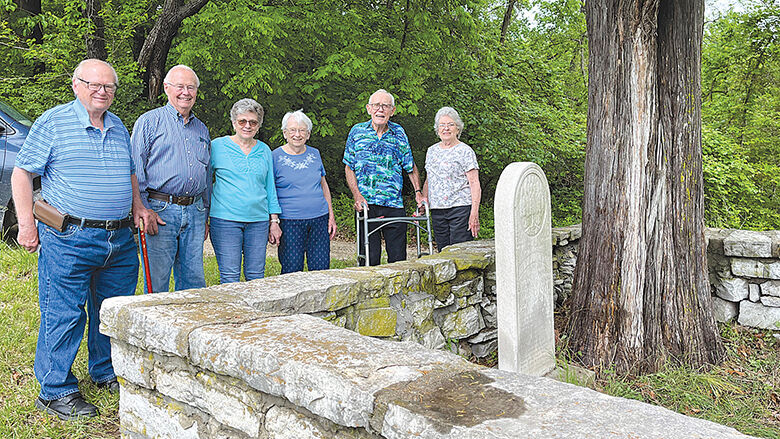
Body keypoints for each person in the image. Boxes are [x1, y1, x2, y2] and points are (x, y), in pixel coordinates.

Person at [11, 59, 156, 420]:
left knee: (111, 310)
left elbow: (131, 173)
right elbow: (22, 173)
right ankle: (55, 389)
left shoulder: (119, 125)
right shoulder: (53, 122)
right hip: (69, 236)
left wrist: (138, 206)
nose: (101, 91)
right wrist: (26, 225)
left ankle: (105, 372)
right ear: (76, 85)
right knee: (65, 312)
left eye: (108, 86)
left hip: (119, 237)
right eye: (93, 84)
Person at [131, 65, 210, 292]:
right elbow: (135, 169)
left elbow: (206, 174)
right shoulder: (148, 122)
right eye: (180, 86)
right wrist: (143, 209)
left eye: (191, 87)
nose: (185, 92)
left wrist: (205, 213)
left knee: (194, 281)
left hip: (195, 211)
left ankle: (191, 324)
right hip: (159, 210)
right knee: (157, 280)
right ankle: (156, 326)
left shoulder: (202, 129)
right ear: (166, 88)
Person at [343, 89, 425, 266]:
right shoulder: (357, 132)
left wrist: (418, 192)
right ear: (368, 109)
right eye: (376, 105)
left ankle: (397, 294)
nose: (380, 109)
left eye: (385, 106)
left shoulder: (399, 133)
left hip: (394, 205)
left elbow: (410, 166)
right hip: (366, 205)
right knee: (368, 260)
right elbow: (349, 167)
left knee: (398, 260)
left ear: (392, 111)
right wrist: (357, 195)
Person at [209, 98, 281, 283]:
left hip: (258, 221)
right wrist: (203, 218)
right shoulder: (216, 147)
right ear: (234, 123)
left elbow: (270, 186)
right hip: (225, 220)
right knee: (230, 276)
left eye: (253, 122)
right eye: (242, 121)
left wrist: (274, 221)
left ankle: (254, 313)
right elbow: (205, 183)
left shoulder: (265, 150)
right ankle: (231, 313)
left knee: (256, 277)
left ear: (258, 126)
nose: (247, 126)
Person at [272, 110, 337, 274]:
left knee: (321, 269)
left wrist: (331, 215)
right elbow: (270, 191)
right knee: (292, 270)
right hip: (289, 222)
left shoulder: (315, 154)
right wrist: (273, 222)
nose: (297, 134)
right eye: (292, 130)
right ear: (285, 133)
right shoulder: (274, 157)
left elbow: (324, 185)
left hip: (319, 220)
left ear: (308, 134)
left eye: (302, 130)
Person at [422, 107, 481, 251]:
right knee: (443, 252)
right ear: (437, 129)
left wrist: (474, 212)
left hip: (460, 209)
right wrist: (424, 200)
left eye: (450, 124)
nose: (446, 128)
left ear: (457, 128)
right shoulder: (432, 151)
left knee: (460, 252)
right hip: (437, 209)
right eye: (442, 125)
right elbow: (429, 179)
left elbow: (474, 183)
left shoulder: (465, 151)